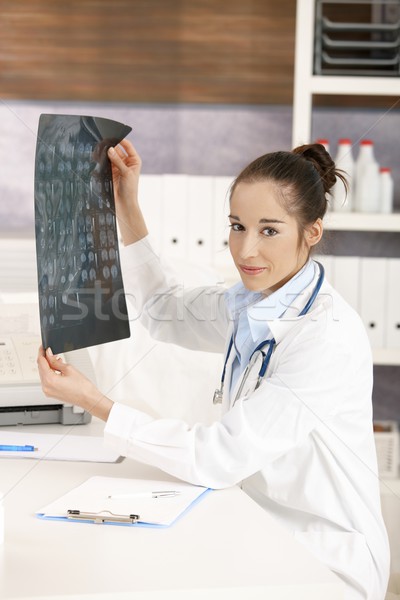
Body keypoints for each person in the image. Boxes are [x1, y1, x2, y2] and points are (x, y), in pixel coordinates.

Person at [37, 140, 390, 599]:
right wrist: (128, 205)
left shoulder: (325, 338)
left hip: (326, 557)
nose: (245, 249)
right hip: (259, 526)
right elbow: (165, 311)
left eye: (269, 231)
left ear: (313, 232)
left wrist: (95, 402)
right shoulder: (253, 302)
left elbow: (216, 457)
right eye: (237, 226)